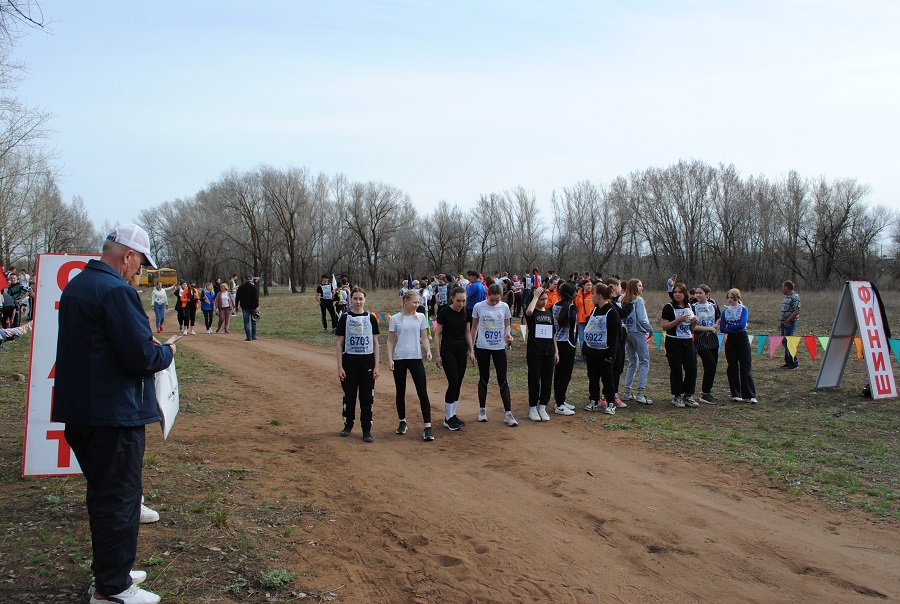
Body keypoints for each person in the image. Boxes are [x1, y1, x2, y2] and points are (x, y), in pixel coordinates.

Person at [52, 223, 174, 604]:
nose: (141, 272)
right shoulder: (116, 291)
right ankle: (113, 589)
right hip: (113, 416)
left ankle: (111, 572)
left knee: (105, 497)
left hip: (83, 413)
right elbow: (141, 357)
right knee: (120, 501)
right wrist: (167, 351)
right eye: (141, 263)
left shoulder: (79, 285)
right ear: (127, 256)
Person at [387, 290, 435, 441]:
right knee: (400, 392)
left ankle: (428, 426)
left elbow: (424, 337)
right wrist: (390, 359)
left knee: (422, 392)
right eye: (414, 302)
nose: (416, 305)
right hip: (399, 358)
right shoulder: (395, 319)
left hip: (415, 358)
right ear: (405, 301)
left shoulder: (420, 317)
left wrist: (428, 350)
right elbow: (389, 341)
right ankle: (402, 422)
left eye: (418, 303)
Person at [335, 286, 380, 442]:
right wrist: (340, 366)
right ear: (350, 300)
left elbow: (375, 343)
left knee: (367, 398)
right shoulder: (345, 318)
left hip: (367, 362)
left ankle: (366, 429)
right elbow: (339, 344)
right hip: (349, 363)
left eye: (361, 299)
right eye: (355, 298)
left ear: (365, 300)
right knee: (349, 396)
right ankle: (348, 425)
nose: (358, 301)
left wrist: (376, 366)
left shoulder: (371, 318)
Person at [471, 283, 517, 426]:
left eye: (497, 300)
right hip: (483, 347)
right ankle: (482, 410)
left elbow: (507, 325)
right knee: (484, 377)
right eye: (492, 300)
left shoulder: (504, 307)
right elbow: (474, 328)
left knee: (502, 378)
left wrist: (508, 335)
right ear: (487, 296)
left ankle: (508, 413)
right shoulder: (478, 306)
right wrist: (471, 349)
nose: (495, 302)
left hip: (499, 347)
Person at [434, 286, 474, 430]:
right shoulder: (444, 312)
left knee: (459, 383)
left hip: (461, 350)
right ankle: (447, 418)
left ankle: (453, 415)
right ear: (452, 298)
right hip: (447, 350)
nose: (461, 304)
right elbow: (438, 334)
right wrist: (437, 355)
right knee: (453, 382)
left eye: (463, 301)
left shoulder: (467, 312)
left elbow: (468, 333)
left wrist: (472, 351)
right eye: (458, 301)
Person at [582, 283, 620, 415]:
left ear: (599, 296)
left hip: (605, 352)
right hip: (592, 350)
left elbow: (615, 336)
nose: (591, 296)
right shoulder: (595, 310)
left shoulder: (612, 312)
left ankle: (610, 402)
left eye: (593, 294)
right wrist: (585, 348)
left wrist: (611, 355)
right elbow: (589, 330)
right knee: (593, 377)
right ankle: (593, 400)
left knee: (607, 377)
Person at [661, 283, 699, 408]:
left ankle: (688, 395)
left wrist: (694, 322)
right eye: (675, 292)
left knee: (691, 367)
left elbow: (691, 329)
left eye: (680, 292)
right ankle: (677, 396)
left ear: (685, 294)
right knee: (676, 368)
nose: (677, 294)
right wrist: (678, 320)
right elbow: (664, 326)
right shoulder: (669, 307)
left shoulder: (688, 306)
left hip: (687, 340)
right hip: (673, 341)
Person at [525, 287, 558, 421]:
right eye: (541, 299)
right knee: (534, 379)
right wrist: (534, 297)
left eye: (545, 299)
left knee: (547, 379)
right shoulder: (533, 313)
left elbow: (553, 333)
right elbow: (528, 311)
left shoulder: (549, 313)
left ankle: (543, 407)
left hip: (549, 351)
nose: (544, 301)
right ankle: (533, 408)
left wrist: (556, 350)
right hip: (535, 351)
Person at [721, 288, 758, 403]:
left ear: (737, 298)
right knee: (732, 366)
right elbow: (722, 328)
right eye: (729, 297)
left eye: (732, 297)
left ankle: (750, 395)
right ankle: (735, 393)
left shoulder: (743, 310)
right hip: (731, 339)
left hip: (742, 338)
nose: (730, 300)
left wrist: (730, 328)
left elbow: (742, 325)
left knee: (745, 366)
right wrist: (731, 330)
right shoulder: (725, 312)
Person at [621, 279, 653, 405]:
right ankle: (640, 392)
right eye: (639, 286)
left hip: (627, 332)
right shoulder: (638, 300)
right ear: (634, 287)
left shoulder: (623, 300)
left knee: (633, 361)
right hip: (638, 332)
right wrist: (649, 330)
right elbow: (642, 319)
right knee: (644, 361)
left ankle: (627, 391)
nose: (642, 288)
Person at [551, 282, 578, 415]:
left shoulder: (554, 306)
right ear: (573, 294)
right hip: (568, 343)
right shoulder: (572, 307)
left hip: (556, 342)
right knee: (566, 374)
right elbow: (572, 319)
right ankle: (560, 403)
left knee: (558, 372)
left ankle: (559, 400)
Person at [692, 284, 721, 404]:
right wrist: (709, 329)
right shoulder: (693, 307)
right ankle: (704, 393)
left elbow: (719, 317)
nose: (697, 295)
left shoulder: (713, 305)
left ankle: (707, 392)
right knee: (710, 364)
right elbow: (693, 327)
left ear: (708, 294)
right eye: (696, 293)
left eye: (700, 293)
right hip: (700, 339)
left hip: (713, 339)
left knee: (713, 366)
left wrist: (716, 325)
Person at [779, 281, 801, 369]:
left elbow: (797, 311)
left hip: (790, 323)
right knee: (784, 341)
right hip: (784, 323)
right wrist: (781, 323)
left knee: (790, 342)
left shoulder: (795, 297)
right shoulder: (786, 298)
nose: (782, 289)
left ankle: (794, 362)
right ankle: (788, 361)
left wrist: (788, 320)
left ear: (787, 287)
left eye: (783, 287)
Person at [574, 279, 595, 361]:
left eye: (590, 285)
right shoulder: (578, 296)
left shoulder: (593, 295)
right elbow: (576, 307)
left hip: (590, 319)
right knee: (582, 337)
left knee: (590, 337)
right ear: (583, 286)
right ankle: (584, 354)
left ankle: (590, 353)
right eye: (588, 285)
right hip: (581, 319)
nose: (589, 287)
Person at [234, 275, 260, 341]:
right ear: (251, 280)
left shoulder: (241, 287)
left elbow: (237, 298)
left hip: (244, 307)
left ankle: (248, 337)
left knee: (246, 322)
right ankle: (253, 336)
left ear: (245, 280)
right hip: (253, 307)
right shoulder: (254, 287)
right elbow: (256, 298)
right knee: (254, 321)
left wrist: (236, 306)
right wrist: (257, 306)